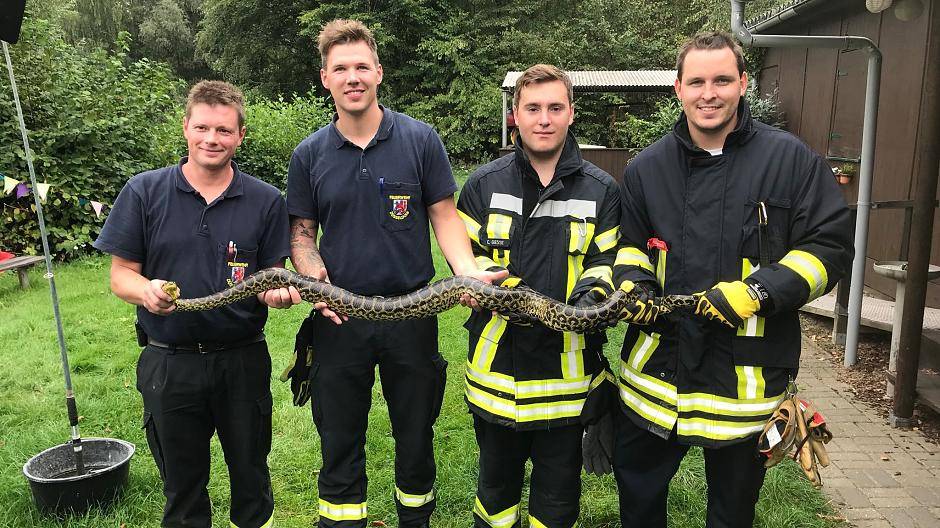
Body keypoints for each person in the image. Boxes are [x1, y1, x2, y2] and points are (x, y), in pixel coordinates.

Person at [611, 31, 854, 527]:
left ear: (743, 84)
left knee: (732, 513)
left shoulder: (792, 161)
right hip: (655, 383)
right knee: (638, 505)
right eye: (696, 81)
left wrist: (757, 292)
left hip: (745, 387)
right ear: (677, 88)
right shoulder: (645, 169)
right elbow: (628, 244)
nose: (709, 93)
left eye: (722, 80)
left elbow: (828, 249)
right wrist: (634, 286)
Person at [285, 19, 504, 528]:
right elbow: (301, 235)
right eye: (341, 68)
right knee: (339, 436)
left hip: (413, 311)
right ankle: (341, 519)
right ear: (325, 79)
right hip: (339, 318)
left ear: (379, 72)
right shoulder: (309, 154)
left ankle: (416, 520)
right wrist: (317, 284)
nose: (352, 77)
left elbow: (444, 216)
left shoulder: (419, 139)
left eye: (362, 66)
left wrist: (466, 272)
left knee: (416, 432)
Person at [93, 80, 299, 528]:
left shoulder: (265, 200)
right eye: (202, 127)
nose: (212, 139)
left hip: (242, 360)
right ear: (185, 128)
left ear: (240, 136)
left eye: (224, 131)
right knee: (182, 486)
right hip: (169, 364)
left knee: (251, 474)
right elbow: (120, 274)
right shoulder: (144, 191)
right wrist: (144, 290)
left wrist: (278, 295)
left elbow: (270, 277)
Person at [457, 64, 652, 528]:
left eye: (554, 108)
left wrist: (589, 301)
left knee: (557, 502)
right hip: (494, 381)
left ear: (571, 114)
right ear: (515, 117)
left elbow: (606, 260)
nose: (543, 119)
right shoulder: (483, 184)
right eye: (533, 108)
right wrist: (512, 293)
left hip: (567, 388)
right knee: (495, 496)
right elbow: (465, 256)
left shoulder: (603, 190)